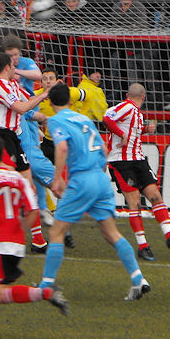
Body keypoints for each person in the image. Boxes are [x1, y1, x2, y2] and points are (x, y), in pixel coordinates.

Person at [38, 83, 151, 301]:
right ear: (70, 102)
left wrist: (57, 178)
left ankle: (46, 285)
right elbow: (105, 149)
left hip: (81, 181)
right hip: (100, 179)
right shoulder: (83, 119)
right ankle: (138, 279)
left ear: (51, 103)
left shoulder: (56, 121)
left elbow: (61, 148)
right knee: (111, 233)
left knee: (56, 232)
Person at [0, 131, 68, 339]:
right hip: (16, 243)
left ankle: (45, 292)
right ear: (3, 153)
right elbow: (33, 211)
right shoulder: (17, 178)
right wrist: (18, 229)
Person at [104, 83, 170, 261]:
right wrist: (122, 133)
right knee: (135, 202)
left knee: (154, 196)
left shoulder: (136, 113)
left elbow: (128, 130)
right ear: (143, 97)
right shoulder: (125, 107)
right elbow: (107, 119)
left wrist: (144, 130)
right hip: (121, 162)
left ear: (129, 94)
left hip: (138, 160)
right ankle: (143, 246)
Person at [0, 53, 51, 251]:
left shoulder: (12, 85)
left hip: (13, 137)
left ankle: (38, 240)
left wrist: (47, 91)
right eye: (13, 65)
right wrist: (46, 93)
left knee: (27, 186)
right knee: (7, 185)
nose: (16, 68)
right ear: (6, 67)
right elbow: (21, 107)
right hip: (0, 138)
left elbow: (28, 101)